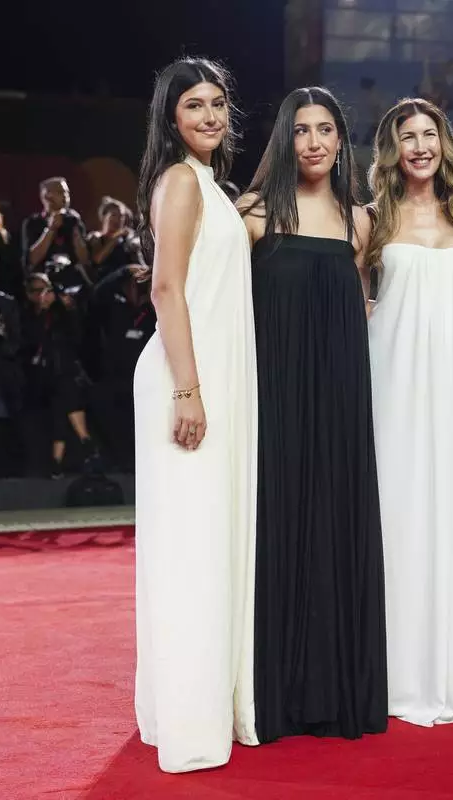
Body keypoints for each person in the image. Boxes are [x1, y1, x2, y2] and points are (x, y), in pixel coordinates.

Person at [237, 87, 387, 743]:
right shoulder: (251, 215)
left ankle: (336, 688)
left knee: (333, 522)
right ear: (284, 139)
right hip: (275, 397)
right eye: (302, 131)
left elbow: (365, 306)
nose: (316, 142)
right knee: (282, 524)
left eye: (327, 129)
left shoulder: (359, 221)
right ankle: (278, 694)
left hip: (342, 397)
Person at [130, 57, 259, 773]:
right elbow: (168, 290)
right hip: (187, 384)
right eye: (194, 106)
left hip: (212, 383)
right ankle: (188, 719)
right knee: (192, 551)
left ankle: (199, 699)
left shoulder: (210, 186)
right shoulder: (180, 182)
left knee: (208, 546)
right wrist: (189, 389)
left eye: (217, 103)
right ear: (170, 118)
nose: (209, 115)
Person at [365, 97, 453, 726]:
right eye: (407, 137)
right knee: (396, 523)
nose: (419, 146)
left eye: (429, 134)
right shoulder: (371, 222)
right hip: (391, 396)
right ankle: (388, 671)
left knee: (449, 522)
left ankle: (447, 667)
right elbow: (351, 307)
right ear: (392, 150)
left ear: (445, 144)